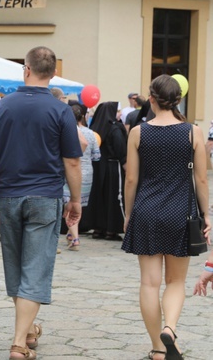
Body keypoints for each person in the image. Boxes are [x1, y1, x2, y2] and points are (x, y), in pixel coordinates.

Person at [0, 47, 82, 360]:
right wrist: (76, 200)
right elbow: (72, 162)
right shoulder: (60, 110)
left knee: (16, 268)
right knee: (35, 270)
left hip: (10, 195)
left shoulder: (4, 106)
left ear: (26, 69)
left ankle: (28, 330)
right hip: (45, 195)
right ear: (51, 73)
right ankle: (18, 343)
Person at [122, 74, 210, 360]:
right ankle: (170, 329)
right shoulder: (192, 132)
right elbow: (201, 179)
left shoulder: (138, 132)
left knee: (149, 283)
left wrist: (128, 214)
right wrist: (207, 215)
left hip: (146, 210)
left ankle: (158, 348)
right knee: (175, 282)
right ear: (178, 100)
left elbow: (131, 180)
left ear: (151, 99)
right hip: (180, 213)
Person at [85, 101, 127, 240]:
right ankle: (111, 229)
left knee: (99, 197)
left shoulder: (95, 127)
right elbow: (120, 148)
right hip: (112, 167)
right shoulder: (114, 129)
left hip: (98, 167)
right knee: (113, 198)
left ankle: (99, 228)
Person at [64, 104, 100, 251]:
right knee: (78, 203)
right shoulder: (91, 133)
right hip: (87, 172)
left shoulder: (68, 131)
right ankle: (70, 234)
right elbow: (97, 156)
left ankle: (75, 237)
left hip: (71, 171)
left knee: (69, 204)